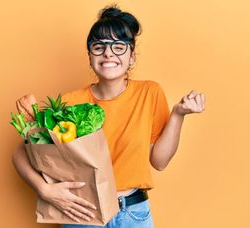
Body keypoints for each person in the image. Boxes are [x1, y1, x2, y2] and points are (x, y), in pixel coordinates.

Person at [12, 4, 205, 228]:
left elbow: (159, 162)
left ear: (132, 57)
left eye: (119, 46)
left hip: (133, 213)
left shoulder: (149, 93)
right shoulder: (70, 102)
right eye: (99, 46)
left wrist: (178, 115)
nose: (108, 53)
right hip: (83, 215)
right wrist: (45, 190)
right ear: (90, 56)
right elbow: (21, 152)